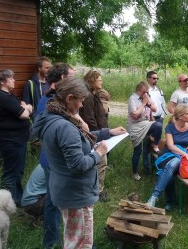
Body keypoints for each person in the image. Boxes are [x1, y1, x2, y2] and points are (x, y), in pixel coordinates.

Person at [32, 77, 126, 249]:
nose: (82, 105)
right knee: (80, 244)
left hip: (65, 189)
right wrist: (98, 154)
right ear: (69, 98)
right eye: (80, 101)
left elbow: (79, 139)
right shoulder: (65, 126)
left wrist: (107, 132)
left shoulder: (51, 116)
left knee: (73, 238)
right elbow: (77, 164)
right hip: (76, 194)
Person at [36, 63, 79, 249]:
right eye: (72, 77)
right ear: (62, 78)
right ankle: (54, 243)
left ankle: (60, 241)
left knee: (56, 202)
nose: (75, 81)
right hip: (55, 161)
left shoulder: (52, 98)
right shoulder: (50, 101)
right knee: (59, 203)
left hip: (55, 160)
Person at [0, 69, 33, 205]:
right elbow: (24, 114)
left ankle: (16, 200)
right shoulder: (3, 97)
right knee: (10, 174)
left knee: (17, 171)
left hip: (16, 139)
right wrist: (29, 107)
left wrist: (25, 107)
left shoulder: (4, 95)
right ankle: (5, 205)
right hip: (11, 140)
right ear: (3, 81)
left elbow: (21, 109)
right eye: (11, 78)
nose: (14, 80)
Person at [146, 104, 188, 211]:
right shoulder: (170, 127)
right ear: (180, 116)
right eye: (187, 113)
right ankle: (166, 201)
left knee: (170, 166)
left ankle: (155, 197)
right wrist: (185, 154)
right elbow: (170, 146)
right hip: (170, 155)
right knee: (172, 164)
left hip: (182, 159)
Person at [79, 70, 111, 202]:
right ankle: (98, 192)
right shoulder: (89, 97)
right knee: (101, 163)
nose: (102, 82)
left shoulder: (93, 94)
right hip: (94, 135)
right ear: (92, 81)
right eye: (99, 79)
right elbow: (89, 118)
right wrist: (98, 134)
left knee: (100, 163)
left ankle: (95, 190)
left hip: (97, 133)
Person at [127, 82, 163, 180]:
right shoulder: (132, 99)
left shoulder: (146, 97)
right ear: (139, 90)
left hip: (145, 123)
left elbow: (155, 109)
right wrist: (143, 104)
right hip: (135, 126)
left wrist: (148, 103)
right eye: (144, 91)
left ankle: (155, 146)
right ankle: (135, 173)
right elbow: (135, 114)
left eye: (147, 92)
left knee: (158, 125)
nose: (146, 93)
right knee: (138, 151)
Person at [22, 56, 52, 120]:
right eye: (46, 68)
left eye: (50, 68)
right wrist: (35, 118)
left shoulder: (50, 84)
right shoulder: (30, 84)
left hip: (49, 119)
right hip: (37, 121)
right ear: (39, 68)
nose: (49, 70)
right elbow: (26, 104)